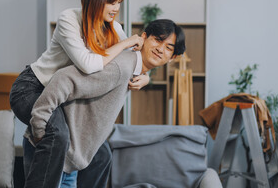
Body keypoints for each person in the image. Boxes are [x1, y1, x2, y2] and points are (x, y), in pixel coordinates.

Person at [9, 0, 149, 188]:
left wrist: (145, 78)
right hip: (33, 88)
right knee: (57, 134)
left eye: (119, 2)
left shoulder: (114, 29)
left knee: (102, 155)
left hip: (63, 96)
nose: (116, 8)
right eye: (111, 2)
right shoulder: (69, 20)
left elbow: (131, 62)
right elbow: (88, 64)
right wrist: (124, 43)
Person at [26, 19, 186, 188]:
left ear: (173, 57)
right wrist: (39, 127)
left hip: (68, 161)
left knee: (104, 155)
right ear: (144, 37)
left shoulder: (132, 68)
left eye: (169, 47)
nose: (160, 49)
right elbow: (63, 78)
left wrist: (147, 78)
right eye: (158, 40)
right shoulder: (121, 67)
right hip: (52, 153)